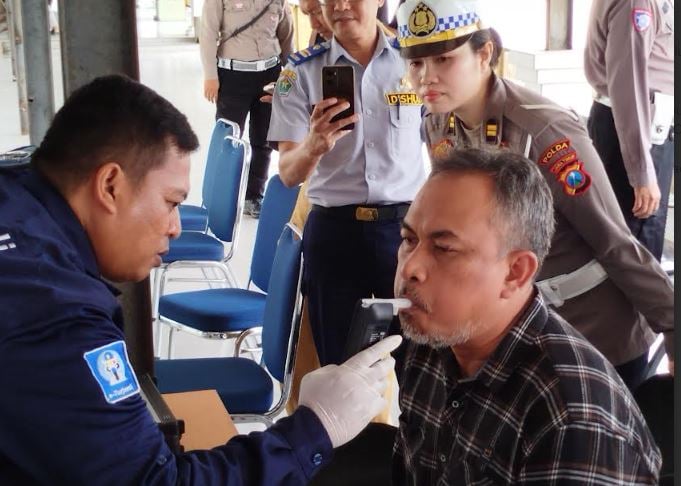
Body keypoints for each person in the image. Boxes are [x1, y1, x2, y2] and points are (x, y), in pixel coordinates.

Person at [0, 74, 402, 485]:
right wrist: (315, 428)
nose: (175, 227)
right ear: (110, 185)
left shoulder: (17, 190)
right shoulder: (52, 313)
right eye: (170, 202)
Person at [394, 0, 674, 391]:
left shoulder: (543, 130)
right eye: (416, 63)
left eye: (443, 59)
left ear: (484, 53)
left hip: (595, 332)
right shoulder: (439, 123)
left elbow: (615, 242)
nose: (426, 78)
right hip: (516, 327)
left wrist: (672, 326)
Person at [392, 148, 662, 485]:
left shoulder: (572, 420)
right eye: (408, 239)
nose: (410, 268)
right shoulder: (431, 338)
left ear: (515, 273)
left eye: (444, 249)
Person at [267, 0, 426, 367]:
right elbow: (288, 173)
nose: (338, 6)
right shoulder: (300, 72)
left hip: (403, 236)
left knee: (417, 365)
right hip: (334, 235)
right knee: (338, 369)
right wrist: (314, 145)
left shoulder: (415, 61)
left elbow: (443, 145)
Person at [584, 0, 674, 262]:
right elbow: (629, 87)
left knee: (637, 244)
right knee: (637, 249)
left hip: (639, 127)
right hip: (636, 130)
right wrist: (642, 173)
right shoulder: (638, 3)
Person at [199, 0, 294, 218]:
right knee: (229, 139)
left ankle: (253, 196)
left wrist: (290, 75)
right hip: (232, 77)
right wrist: (210, 76)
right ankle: (223, 197)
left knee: (263, 140)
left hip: (270, 75)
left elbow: (287, 35)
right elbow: (208, 34)